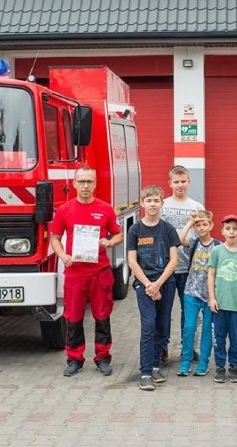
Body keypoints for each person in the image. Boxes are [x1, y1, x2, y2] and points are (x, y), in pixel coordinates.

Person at [50, 166, 123, 378]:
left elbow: (118, 235)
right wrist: (63, 256)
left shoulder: (106, 209)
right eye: (81, 181)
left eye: (89, 182)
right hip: (75, 274)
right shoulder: (65, 210)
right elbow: (54, 238)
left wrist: (109, 241)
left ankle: (103, 357)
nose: (85, 186)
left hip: (99, 272)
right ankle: (74, 359)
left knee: (102, 315)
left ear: (95, 184)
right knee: (73, 317)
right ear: (73, 184)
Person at [127, 185, 180, 391]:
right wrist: (149, 284)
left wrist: (159, 283)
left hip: (166, 284)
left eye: (156, 201)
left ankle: (156, 365)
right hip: (144, 286)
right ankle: (146, 372)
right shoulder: (135, 230)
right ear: (142, 204)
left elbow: (174, 260)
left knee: (163, 327)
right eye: (148, 201)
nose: (152, 204)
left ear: (162, 203)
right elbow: (132, 261)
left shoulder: (167, 229)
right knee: (148, 327)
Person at [162, 165, 204, 365]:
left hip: (189, 268)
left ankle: (188, 348)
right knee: (164, 310)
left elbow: (200, 235)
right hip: (165, 269)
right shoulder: (162, 205)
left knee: (189, 312)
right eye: (176, 182)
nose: (180, 185)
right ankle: (162, 347)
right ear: (170, 183)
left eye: (183, 181)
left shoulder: (197, 207)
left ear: (189, 182)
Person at [207, 214, 237, 384]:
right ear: (222, 231)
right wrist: (211, 298)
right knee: (218, 338)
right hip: (219, 305)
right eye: (228, 229)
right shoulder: (217, 251)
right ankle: (220, 367)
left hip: (236, 305)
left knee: (235, 339)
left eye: (235, 229)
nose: (231, 232)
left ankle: (234, 367)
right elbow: (211, 274)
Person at [177, 210, 221, 377]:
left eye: (204, 224)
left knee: (207, 329)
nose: (201, 227)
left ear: (211, 225)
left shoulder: (218, 246)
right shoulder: (193, 243)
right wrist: (190, 222)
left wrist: (215, 296)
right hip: (191, 291)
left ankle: (203, 362)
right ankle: (186, 361)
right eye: (198, 225)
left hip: (210, 295)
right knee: (189, 327)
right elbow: (180, 239)